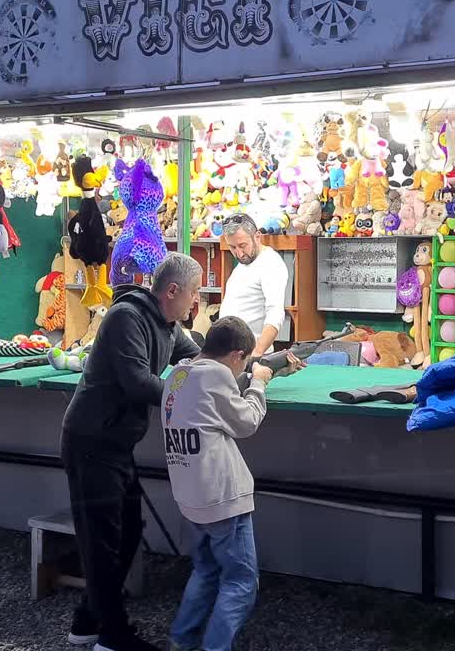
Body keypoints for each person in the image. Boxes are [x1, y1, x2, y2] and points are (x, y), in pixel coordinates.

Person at [61, 252, 203, 651]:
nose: (196, 302)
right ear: (172, 290)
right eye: (194, 294)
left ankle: (88, 619)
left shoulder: (169, 324)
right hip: (92, 443)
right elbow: (138, 383)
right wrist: (191, 398)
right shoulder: (127, 317)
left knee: (127, 534)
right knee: (102, 541)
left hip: (117, 444)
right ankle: (114, 636)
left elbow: (195, 358)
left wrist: (236, 365)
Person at [160, 317, 305, 651]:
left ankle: (181, 641)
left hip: (191, 496)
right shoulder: (215, 377)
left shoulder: (179, 374)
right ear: (239, 355)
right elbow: (247, 421)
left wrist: (271, 370)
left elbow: (211, 402)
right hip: (223, 498)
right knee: (241, 582)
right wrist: (259, 384)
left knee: (206, 570)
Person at [219, 214, 288, 357]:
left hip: (252, 356)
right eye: (232, 247)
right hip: (231, 354)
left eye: (242, 245)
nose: (238, 253)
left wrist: (258, 353)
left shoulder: (270, 263)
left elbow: (275, 313)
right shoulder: (243, 265)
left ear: (257, 236)